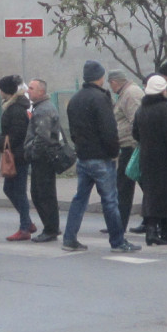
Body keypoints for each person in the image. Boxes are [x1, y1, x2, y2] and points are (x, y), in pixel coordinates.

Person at [61, 60, 140, 253]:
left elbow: (72, 130)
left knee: (80, 198)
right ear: (101, 77)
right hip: (102, 158)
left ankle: (69, 238)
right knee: (110, 200)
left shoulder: (75, 99)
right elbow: (109, 129)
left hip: (83, 156)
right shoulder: (100, 98)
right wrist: (114, 152)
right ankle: (118, 241)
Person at [131, 75, 167, 245]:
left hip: (147, 158)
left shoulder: (142, 109)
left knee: (152, 195)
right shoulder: (166, 109)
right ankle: (162, 232)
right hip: (166, 159)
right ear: (163, 90)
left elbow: (135, 133)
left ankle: (154, 231)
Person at [23, 78, 63, 243]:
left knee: (43, 195)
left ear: (41, 91)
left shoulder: (43, 109)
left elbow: (43, 137)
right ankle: (51, 227)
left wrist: (32, 153)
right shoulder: (41, 107)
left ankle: (51, 229)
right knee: (40, 194)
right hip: (43, 157)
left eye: (32, 88)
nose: (28, 91)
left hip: (43, 158)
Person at [0, 74, 34, 240]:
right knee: (10, 189)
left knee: (18, 191)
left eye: (1, 89)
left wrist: (1, 141)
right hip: (17, 154)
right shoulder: (14, 106)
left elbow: (17, 134)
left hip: (18, 156)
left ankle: (25, 227)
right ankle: (27, 222)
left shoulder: (16, 109)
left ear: (7, 91)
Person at [107, 69, 144, 232]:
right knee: (124, 187)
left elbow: (136, 121)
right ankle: (118, 224)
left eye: (110, 84)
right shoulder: (126, 93)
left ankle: (119, 225)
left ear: (114, 82)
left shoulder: (131, 94)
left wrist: (135, 145)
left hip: (131, 148)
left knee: (125, 187)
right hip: (127, 147)